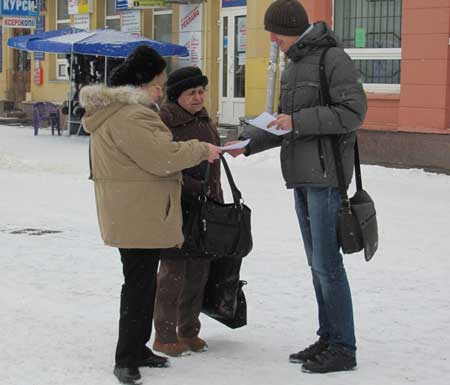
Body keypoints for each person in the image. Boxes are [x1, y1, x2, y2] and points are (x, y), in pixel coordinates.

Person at [226, 0, 367, 374]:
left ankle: (343, 347)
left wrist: (299, 120)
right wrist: (250, 143)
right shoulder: (294, 67)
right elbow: (284, 125)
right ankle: (328, 335)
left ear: (291, 28)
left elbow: (353, 113)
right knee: (316, 264)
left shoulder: (332, 59)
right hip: (301, 177)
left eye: (275, 32)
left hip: (326, 178)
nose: (272, 39)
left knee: (328, 265)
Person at [80, 46, 221, 385]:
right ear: (140, 84)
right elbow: (162, 156)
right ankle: (126, 357)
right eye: (158, 85)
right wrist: (202, 150)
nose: (162, 91)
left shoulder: (115, 112)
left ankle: (138, 349)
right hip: (138, 212)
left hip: (130, 209)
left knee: (141, 284)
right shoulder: (133, 115)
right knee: (138, 285)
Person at [153, 66, 223, 357]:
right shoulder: (165, 120)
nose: (198, 97)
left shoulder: (204, 118)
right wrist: (195, 186)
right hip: (177, 204)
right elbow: (162, 162)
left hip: (207, 205)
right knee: (173, 272)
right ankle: (165, 335)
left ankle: (189, 330)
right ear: (176, 95)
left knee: (199, 269)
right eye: (191, 93)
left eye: (201, 91)